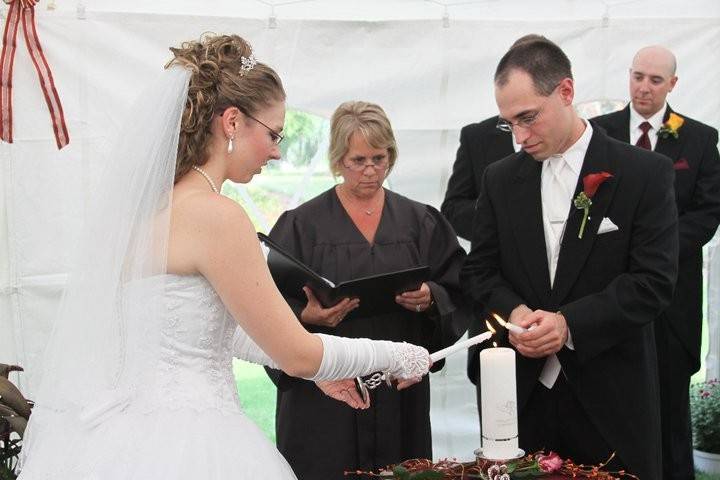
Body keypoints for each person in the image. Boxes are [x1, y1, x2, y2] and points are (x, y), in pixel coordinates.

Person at [17, 35, 432, 480]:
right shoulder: (218, 217)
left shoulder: (146, 214)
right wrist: (398, 354)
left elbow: (208, 332)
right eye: (273, 134)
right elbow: (297, 354)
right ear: (232, 121)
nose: (275, 151)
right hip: (194, 442)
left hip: (122, 438)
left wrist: (317, 373)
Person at [460, 37, 678, 479]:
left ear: (565, 91)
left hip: (611, 398)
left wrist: (568, 325)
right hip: (522, 400)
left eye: (528, 118)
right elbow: (479, 272)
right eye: (509, 125)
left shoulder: (643, 173)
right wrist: (517, 313)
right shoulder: (500, 180)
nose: (519, 137)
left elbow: (652, 282)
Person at [265, 100, 469, 480]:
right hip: (325, 396)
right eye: (358, 160)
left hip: (397, 393)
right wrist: (304, 315)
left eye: (380, 158)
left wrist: (430, 298)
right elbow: (264, 306)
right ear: (338, 159)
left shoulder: (420, 222)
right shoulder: (301, 227)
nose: (371, 170)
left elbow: (457, 288)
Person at [593, 45, 720, 480]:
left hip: (670, 301)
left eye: (655, 80)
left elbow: (707, 213)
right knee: (610, 405)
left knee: (669, 415)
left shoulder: (700, 138)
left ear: (673, 85)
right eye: (638, 76)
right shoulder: (598, 133)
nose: (644, 87)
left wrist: (655, 247)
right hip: (608, 293)